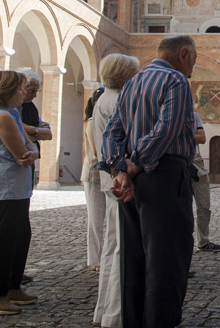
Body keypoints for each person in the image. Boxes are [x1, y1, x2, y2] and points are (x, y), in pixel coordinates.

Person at [99, 36, 197, 328]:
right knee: (167, 259)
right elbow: (167, 129)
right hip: (164, 175)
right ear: (183, 54)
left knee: (134, 257)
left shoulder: (131, 84)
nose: (193, 64)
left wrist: (119, 170)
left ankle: (134, 320)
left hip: (133, 182)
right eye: (193, 57)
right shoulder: (176, 81)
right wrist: (135, 165)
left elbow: (112, 133)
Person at [0, 70, 39, 316]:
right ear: (9, 91)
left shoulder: (11, 114)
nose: (24, 93)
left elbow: (30, 143)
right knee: (2, 242)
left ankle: (12, 287)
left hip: (15, 188)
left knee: (19, 237)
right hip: (5, 189)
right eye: (20, 89)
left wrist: (31, 147)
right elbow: (23, 154)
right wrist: (31, 150)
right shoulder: (2, 117)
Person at [92, 53, 139, 328]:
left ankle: (105, 311)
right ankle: (116, 314)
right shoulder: (118, 100)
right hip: (120, 178)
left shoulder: (103, 98)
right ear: (125, 75)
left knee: (112, 245)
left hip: (110, 178)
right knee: (122, 245)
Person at [192, 110, 220, 252]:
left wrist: (181, 135)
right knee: (181, 208)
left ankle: (203, 241)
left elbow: (202, 138)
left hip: (196, 162)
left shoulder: (193, 116)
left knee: (204, 205)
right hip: (178, 162)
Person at [16, 69, 52, 184]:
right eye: (32, 91)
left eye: (37, 91)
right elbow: (16, 130)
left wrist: (31, 130)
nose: (35, 95)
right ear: (21, 88)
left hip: (30, 159)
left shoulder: (31, 107)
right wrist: (35, 131)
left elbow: (48, 134)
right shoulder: (12, 107)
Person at [82, 88, 105, 270]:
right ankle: (95, 260)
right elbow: (96, 151)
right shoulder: (91, 122)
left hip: (105, 174)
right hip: (94, 174)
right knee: (96, 219)